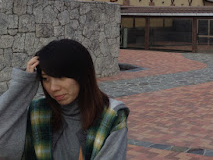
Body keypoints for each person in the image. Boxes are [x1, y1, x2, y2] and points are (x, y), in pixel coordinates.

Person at [0, 39, 129, 159]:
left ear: (82, 75)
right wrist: (22, 88)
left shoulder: (111, 116)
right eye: (45, 78)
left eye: (61, 77)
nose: (53, 87)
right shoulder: (39, 111)